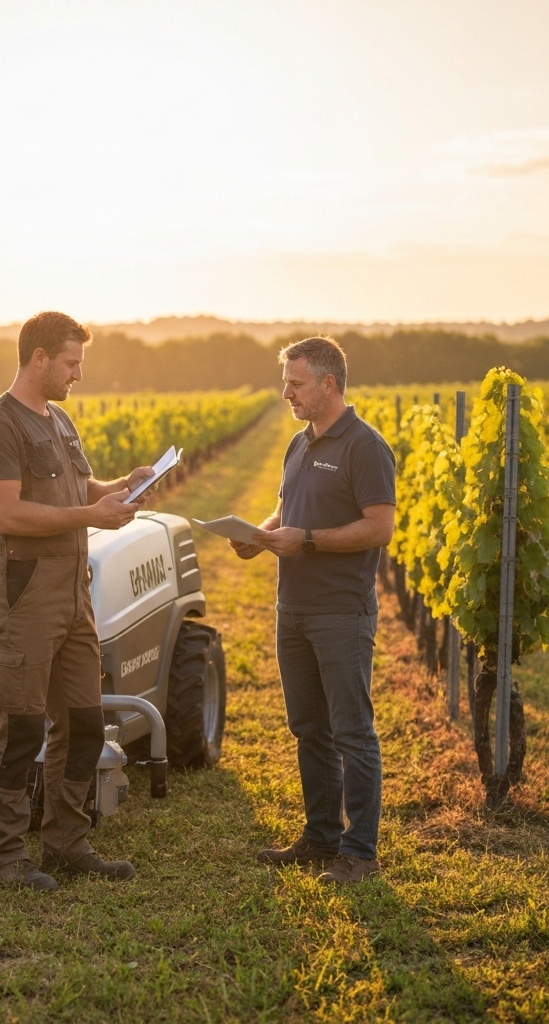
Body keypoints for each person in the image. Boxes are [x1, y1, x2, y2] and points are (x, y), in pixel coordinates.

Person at [0, 311, 155, 891]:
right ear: (40, 358)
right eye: (71, 363)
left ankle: (67, 843)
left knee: (83, 723)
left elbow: (80, 489)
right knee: (19, 729)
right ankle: (6, 856)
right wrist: (92, 514)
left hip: (74, 593)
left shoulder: (60, 419)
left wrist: (121, 488)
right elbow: (8, 514)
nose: (78, 374)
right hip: (25, 594)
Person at [231, 336, 395, 885]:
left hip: (341, 611)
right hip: (293, 608)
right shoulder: (298, 443)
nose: (287, 393)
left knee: (352, 732)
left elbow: (379, 528)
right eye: (287, 383)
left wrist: (306, 540)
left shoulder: (365, 447)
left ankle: (360, 853)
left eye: (296, 384)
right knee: (309, 728)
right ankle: (321, 837)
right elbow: (286, 510)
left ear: (329, 383)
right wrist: (259, 535)